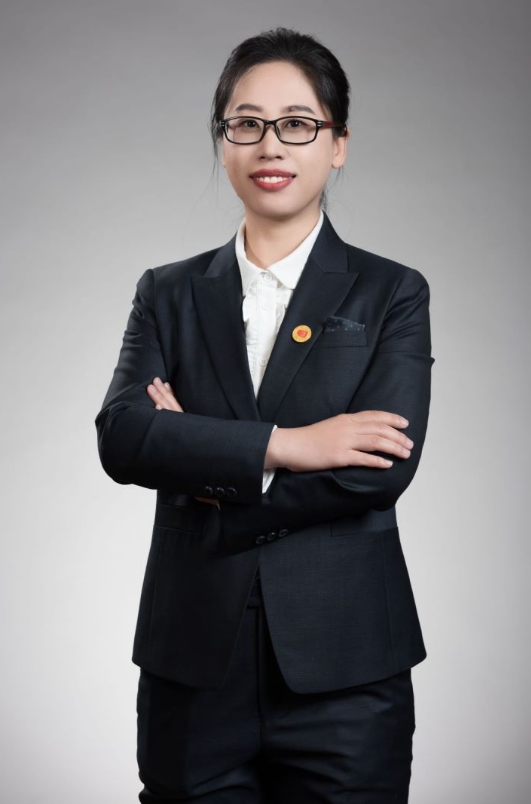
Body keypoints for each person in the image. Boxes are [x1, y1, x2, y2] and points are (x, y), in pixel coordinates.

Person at [95, 26, 435, 804]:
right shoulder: (167, 292)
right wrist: (292, 445)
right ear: (222, 143)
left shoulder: (391, 292)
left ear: (337, 144)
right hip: (191, 666)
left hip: (347, 671)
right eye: (245, 124)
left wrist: (202, 463)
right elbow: (123, 438)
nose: (269, 145)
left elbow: (379, 471)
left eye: (297, 124)